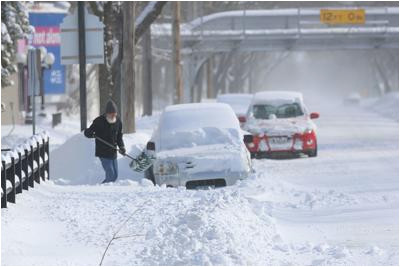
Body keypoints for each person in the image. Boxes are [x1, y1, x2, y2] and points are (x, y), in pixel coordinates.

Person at [84, 99, 126, 183]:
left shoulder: (118, 122)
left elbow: (119, 137)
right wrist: (90, 133)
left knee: (115, 176)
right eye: (111, 114)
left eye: (114, 114)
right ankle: (101, 190)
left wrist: (121, 147)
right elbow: (87, 133)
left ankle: (105, 190)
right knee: (110, 175)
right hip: (103, 152)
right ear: (106, 113)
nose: (113, 116)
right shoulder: (99, 121)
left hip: (113, 152)